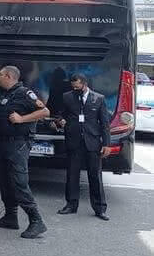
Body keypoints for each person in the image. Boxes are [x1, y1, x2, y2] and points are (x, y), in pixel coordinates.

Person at [0, 65, 50, 239]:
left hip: (18, 145)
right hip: (4, 143)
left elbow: (44, 111)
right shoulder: (6, 94)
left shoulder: (25, 93)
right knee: (5, 181)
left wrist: (22, 119)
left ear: (8, 76)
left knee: (19, 182)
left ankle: (36, 221)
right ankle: (10, 217)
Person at [56, 73, 110, 220]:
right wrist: (60, 121)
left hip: (92, 142)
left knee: (95, 176)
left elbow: (105, 124)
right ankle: (71, 205)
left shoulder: (98, 99)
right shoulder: (67, 97)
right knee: (72, 175)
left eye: (77, 86)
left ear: (85, 84)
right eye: (73, 87)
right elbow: (60, 115)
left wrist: (106, 144)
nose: (75, 89)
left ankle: (100, 208)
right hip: (74, 142)